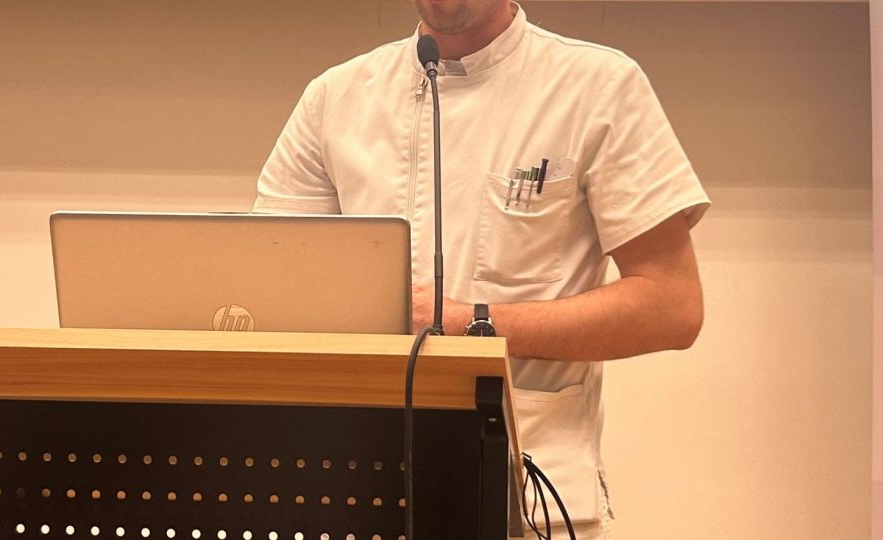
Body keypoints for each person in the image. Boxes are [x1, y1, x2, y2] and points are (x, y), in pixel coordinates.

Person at [253, 1, 709, 537]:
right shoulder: (334, 97)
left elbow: (671, 306)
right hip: (351, 484)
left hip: (530, 495)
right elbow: (270, 288)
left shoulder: (598, 86)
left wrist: (470, 322)